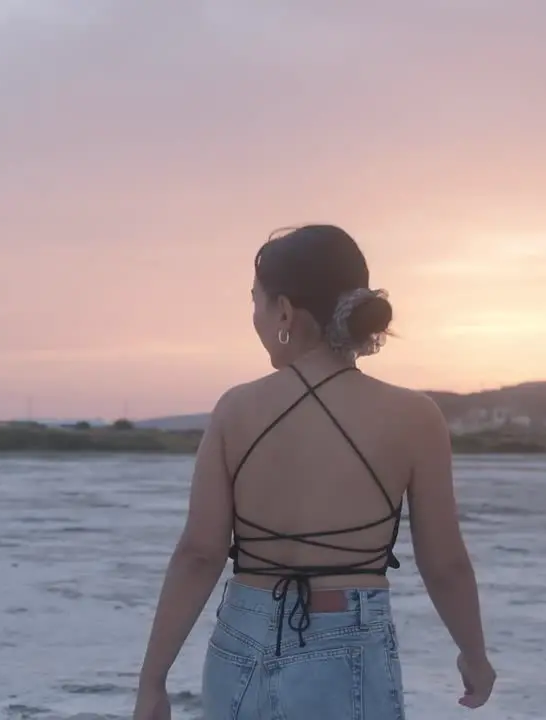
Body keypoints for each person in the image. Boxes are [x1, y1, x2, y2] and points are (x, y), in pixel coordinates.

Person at [133, 224, 495, 719]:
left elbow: (199, 553)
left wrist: (153, 680)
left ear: (283, 311)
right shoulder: (415, 416)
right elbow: (445, 562)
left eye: (256, 301)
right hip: (351, 634)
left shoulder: (236, 410)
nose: (255, 317)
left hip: (244, 634)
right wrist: (473, 654)